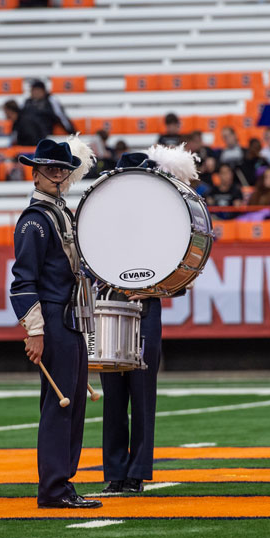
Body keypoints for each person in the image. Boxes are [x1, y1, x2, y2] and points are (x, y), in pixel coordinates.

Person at [9, 137, 101, 509]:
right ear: (36, 173)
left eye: (63, 169)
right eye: (49, 168)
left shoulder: (63, 212)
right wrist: (35, 331)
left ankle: (64, 483)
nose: (58, 175)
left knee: (74, 404)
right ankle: (52, 488)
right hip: (53, 319)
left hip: (71, 318)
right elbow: (23, 280)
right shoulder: (35, 221)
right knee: (59, 408)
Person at [100, 147, 193, 494]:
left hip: (146, 310)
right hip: (110, 305)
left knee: (141, 394)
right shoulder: (103, 218)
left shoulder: (165, 221)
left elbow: (185, 275)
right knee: (112, 397)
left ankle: (136, 472)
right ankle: (114, 472)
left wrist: (155, 289)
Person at [16, 80, 75, 144]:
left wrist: (72, 134)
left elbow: (61, 117)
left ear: (43, 91)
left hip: (44, 135)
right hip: (27, 136)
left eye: (36, 90)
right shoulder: (27, 102)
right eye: (32, 90)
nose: (34, 92)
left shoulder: (51, 100)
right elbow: (18, 120)